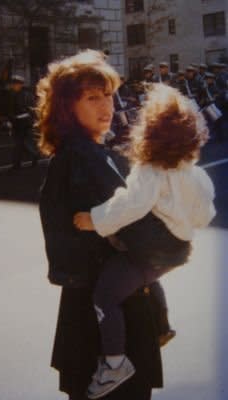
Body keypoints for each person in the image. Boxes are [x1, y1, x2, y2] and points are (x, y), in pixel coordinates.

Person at [37, 50, 169, 400]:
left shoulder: (91, 153)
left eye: (108, 95)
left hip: (101, 302)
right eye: (92, 98)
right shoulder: (81, 158)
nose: (105, 105)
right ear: (67, 108)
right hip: (105, 309)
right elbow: (130, 225)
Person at [74, 83, 216, 399]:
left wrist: (93, 219)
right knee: (146, 280)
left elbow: (129, 205)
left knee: (105, 296)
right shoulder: (195, 174)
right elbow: (205, 215)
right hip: (178, 250)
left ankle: (114, 364)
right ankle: (162, 325)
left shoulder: (149, 169)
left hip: (149, 249)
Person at [7, 74, 38, 169]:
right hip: (18, 122)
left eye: (15, 84)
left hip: (24, 122)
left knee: (21, 143)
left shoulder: (25, 95)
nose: (13, 86)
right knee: (20, 144)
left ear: (20, 84)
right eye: (13, 84)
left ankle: (19, 163)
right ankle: (29, 158)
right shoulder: (13, 94)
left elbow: (32, 109)